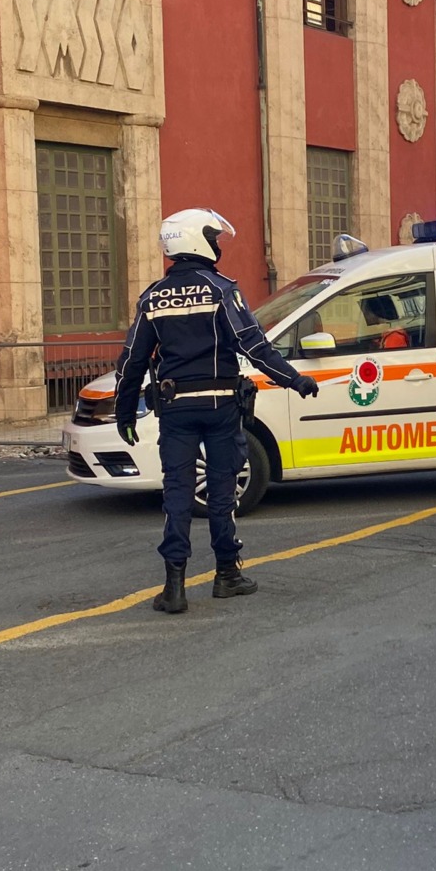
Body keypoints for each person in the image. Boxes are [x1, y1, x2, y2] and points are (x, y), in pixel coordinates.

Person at [114, 208, 319, 615]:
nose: (217, 244)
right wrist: (296, 379)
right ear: (195, 239)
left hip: (175, 410)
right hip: (221, 406)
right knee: (222, 493)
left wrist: (123, 411)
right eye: (213, 236)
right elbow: (253, 344)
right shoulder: (221, 289)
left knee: (177, 494)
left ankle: (174, 587)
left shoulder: (153, 297)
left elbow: (132, 360)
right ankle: (227, 575)